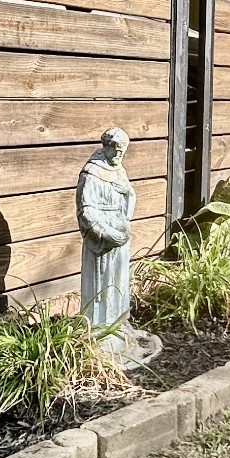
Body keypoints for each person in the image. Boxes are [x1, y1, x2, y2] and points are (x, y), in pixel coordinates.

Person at [76, 127, 160, 366]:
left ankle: (118, 327)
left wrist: (127, 195)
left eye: (122, 152)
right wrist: (105, 233)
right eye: (115, 150)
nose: (118, 156)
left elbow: (127, 196)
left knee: (119, 282)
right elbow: (85, 210)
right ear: (106, 146)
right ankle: (100, 334)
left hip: (120, 236)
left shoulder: (119, 170)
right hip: (101, 239)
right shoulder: (91, 173)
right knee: (101, 286)